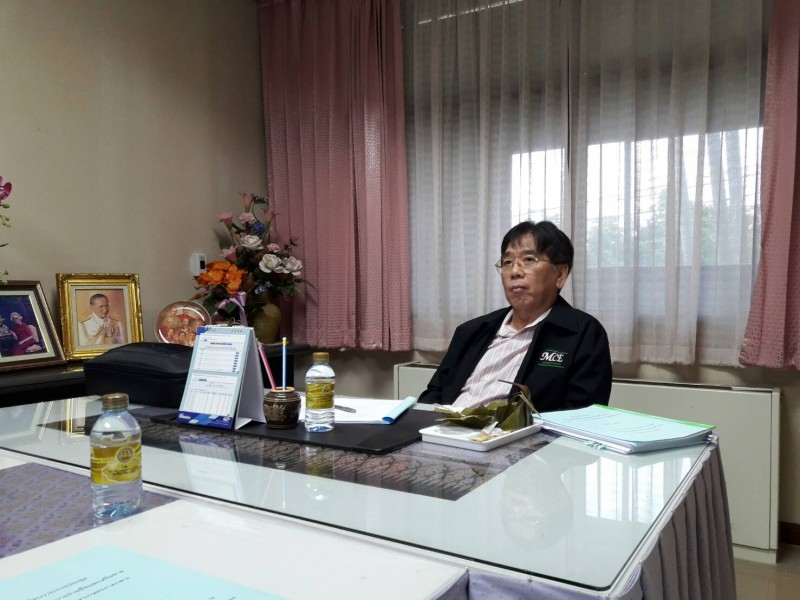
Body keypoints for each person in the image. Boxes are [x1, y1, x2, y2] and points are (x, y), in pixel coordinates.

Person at [418, 221, 612, 413]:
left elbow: (581, 417)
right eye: (507, 262)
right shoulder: (471, 331)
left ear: (560, 274)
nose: (515, 272)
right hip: (443, 427)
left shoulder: (583, 334)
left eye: (529, 260)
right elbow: (434, 393)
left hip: (517, 432)